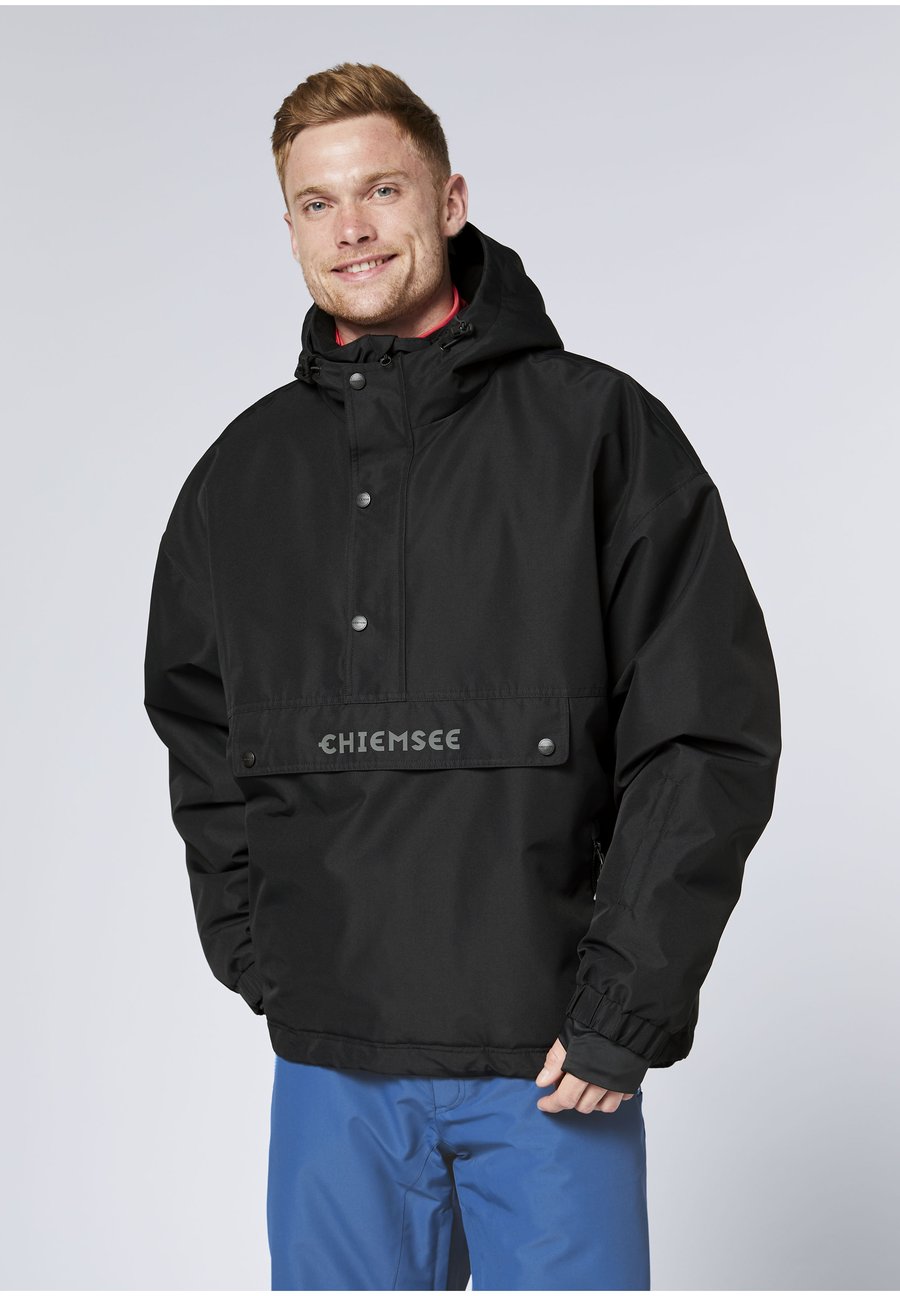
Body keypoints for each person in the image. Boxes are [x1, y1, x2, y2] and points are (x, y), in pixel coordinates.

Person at [143, 62, 782, 1291]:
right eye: (318, 203)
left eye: (382, 190)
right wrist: (260, 955)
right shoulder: (241, 476)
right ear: (290, 227)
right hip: (330, 1070)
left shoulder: (600, 434)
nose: (352, 227)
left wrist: (627, 1004)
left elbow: (703, 732)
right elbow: (198, 730)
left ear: (449, 201)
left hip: (552, 1066)